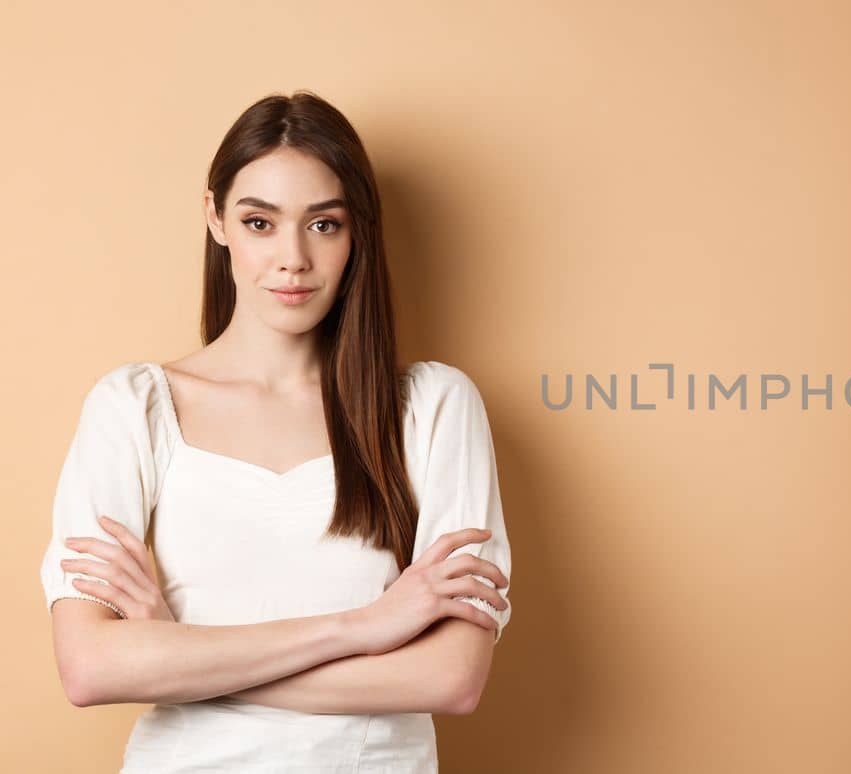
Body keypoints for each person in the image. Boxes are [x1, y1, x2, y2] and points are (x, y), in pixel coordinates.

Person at [38, 90, 513, 773]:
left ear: (358, 234)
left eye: (324, 225)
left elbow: (451, 678)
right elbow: (90, 668)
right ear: (216, 218)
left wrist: (181, 652)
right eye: (260, 222)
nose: (292, 258)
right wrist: (364, 629)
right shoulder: (134, 407)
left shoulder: (434, 409)